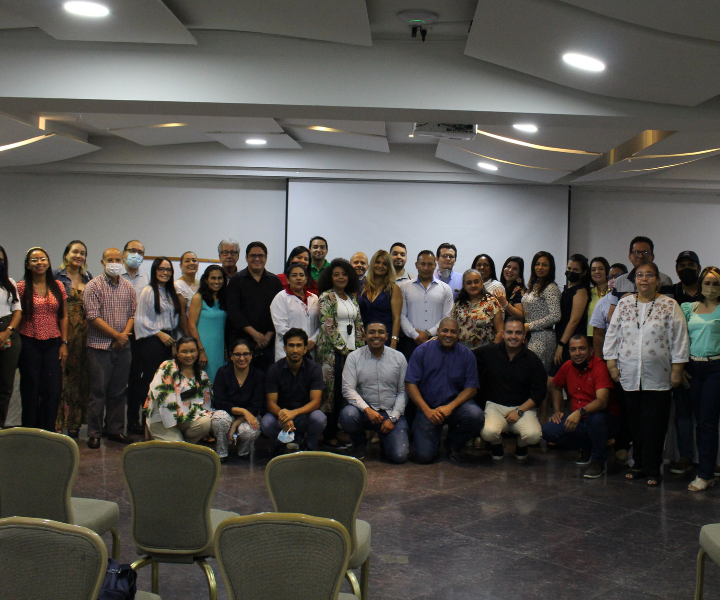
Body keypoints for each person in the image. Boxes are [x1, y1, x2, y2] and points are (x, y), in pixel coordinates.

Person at [604, 262, 689, 486]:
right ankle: (638, 464)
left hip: (659, 376)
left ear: (657, 280)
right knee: (635, 424)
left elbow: (680, 339)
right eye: (640, 275)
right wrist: (612, 364)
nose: (644, 279)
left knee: (655, 425)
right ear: (635, 280)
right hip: (630, 375)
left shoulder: (669, 305)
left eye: (649, 275)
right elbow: (612, 334)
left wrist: (677, 369)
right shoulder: (624, 304)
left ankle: (653, 469)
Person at [405, 317, 483, 463]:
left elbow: (472, 389)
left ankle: (453, 442)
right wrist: (427, 411)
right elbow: (410, 384)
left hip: (456, 407)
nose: (448, 335)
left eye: (453, 332)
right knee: (424, 457)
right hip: (427, 409)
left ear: (458, 334)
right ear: (438, 331)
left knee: (476, 415)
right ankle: (432, 441)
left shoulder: (467, 355)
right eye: (445, 331)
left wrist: (450, 407)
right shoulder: (421, 352)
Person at [83, 248, 137, 449]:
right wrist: (116, 336)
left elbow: (133, 314)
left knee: (119, 391)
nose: (114, 263)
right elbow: (92, 317)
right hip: (99, 347)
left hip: (123, 348)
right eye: (110, 259)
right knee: (98, 392)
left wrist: (123, 337)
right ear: (102, 262)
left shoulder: (128, 287)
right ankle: (95, 433)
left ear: (122, 261)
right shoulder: (93, 286)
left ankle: (115, 430)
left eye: (117, 259)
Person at [143, 336, 231, 457]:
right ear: (177, 353)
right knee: (178, 452)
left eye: (192, 351)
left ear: (198, 352)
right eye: (184, 352)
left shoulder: (202, 375)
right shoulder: (168, 367)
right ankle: (171, 441)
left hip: (187, 419)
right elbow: (165, 400)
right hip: (164, 420)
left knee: (206, 422)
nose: (189, 355)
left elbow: (207, 404)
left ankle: (178, 443)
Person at [542, 334, 615, 478]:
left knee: (596, 420)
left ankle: (597, 461)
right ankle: (588, 446)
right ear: (569, 352)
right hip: (579, 420)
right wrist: (557, 411)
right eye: (573, 350)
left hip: (602, 419)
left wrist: (580, 412)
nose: (577, 353)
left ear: (591, 350)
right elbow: (555, 387)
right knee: (548, 430)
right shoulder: (567, 366)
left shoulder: (599, 366)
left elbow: (602, 401)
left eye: (582, 349)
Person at [475, 318, 546, 460]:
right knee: (488, 432)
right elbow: (464, 356)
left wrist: (519, 410)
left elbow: (540, 392)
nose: (513, 336)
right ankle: (497, 444)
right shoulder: (489, 352)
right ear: (502, 333)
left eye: (518, 333)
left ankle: (521, 445)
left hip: (522, 408)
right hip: (494, 406)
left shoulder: (533, 360)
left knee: (534, 435)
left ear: (524, 335)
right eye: (510, 332)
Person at [340, 322, 409, 463]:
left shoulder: (399, 358)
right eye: (371, 332)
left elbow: (403, 392)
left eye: (381, 332)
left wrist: (394, 418)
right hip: (364, 413)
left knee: (399, 456)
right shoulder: (354, 357)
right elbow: (348, 389)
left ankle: (386, 440)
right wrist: (367, 410)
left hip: (390, 413)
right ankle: (359, 442)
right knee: (348, 415)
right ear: (365, 336)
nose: (376, 336)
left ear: (387, 336)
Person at [16, 247, 68, 431]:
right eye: (34, 260)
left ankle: (48, 431)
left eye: (43, 259)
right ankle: (30, 431)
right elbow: (16, 314)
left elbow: (63, 316)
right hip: (29, 342)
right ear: (28, 265)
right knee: (30, 389)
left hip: (53, 343)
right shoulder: (21, 287)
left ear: (48, 262)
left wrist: (64, 343)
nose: (39, 263)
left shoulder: (58, 285)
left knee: (53, 390)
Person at [316, 258, 365, 449]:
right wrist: (345, 351)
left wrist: (359, 350)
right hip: (332, 354)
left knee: (346, 393)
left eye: (344, 274)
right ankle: (328, 436)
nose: (341, 277)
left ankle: (338, 432)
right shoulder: (326, 297)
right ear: (330, 277)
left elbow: (359, 324)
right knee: (331, 395)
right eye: (336, 274)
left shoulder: (351, 298)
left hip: (351, 354)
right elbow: (328, 327)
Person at [682, 266, 720, 492]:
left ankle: (705, 474)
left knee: (707, 421)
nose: (711, 287)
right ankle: (704, 468)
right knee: (698, 420)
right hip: (694, 368)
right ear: (700, 284)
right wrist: (682, 366)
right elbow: (680, 338)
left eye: (716, 283)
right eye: (707, 283)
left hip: (716, 368)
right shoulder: (689, 308)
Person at [261, 328, 326, 451]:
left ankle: (307, 446)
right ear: (285, 348)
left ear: (305, 349)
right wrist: (284, 417)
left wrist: (293, 413)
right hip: (280, 415)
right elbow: (271, 403)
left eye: (299, 346)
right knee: (266, 422)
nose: (295, 350)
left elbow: (315, 402)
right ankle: (279, 446)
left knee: (319, 418)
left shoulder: (314, 369)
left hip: (303, 415)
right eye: (291, 345)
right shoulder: (274, 369)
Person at [53, 240, 93, 437]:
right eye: (75, 252)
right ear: (66, 255)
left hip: (85, 335)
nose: (79, 256)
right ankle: (58, 422)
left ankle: (75, 424)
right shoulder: (55, 276)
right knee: (61, 378)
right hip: (63, 332)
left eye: (83, 253)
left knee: (80, 378)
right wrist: (62, 340)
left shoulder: (88, 277)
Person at [669, 250, 703, 475]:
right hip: (679, 363)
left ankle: (710, 459)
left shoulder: (711, 292)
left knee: (708, 415)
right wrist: (678, 367)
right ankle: (685, 457)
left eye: (690, 264)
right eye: (681, 265)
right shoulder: (670, 294)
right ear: (676, 269)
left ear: (699, 268)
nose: (686, 268)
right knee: (682, 414)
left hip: (705, 363)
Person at [226, 241, 283, 371]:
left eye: (261, 255)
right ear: (246, 258)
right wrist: (255, 335)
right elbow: (234, 312)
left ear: (266, 258)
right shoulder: (236, 280)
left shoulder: (275, 282)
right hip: (243, 342)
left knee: (267, 381)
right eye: (253, 255)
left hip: (269, 343)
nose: (257, 259)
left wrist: (268, 336)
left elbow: (280, 311)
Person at [134, 257, 181, 411]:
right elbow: (140, 320)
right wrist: (159, 334)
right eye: (161, 269)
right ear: (154, 271)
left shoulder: (170, 292)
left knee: (166, 381)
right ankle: (146, 419)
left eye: (168, 270)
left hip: (169, 340)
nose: (165, 272)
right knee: (151, 380)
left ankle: (163, 419)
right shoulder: (149, 291)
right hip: (153, 341)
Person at [212, 339, 265, 459]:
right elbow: (219, 402)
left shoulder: (258, 375)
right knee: (219, 419)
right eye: (237, 354)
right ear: (231, 356)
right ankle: (221, 452)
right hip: (226, 413)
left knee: (250, 430)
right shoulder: (222, 373)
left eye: (246, 354)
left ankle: (244, 451)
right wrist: (243, 411)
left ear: (251, 355)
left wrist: (235, 423)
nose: (242, 358)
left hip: (248, 416)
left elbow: (256, 406)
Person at [399, 250, 453, 361]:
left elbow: (447, 317)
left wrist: (428, 333)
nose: (426, 268)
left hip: (437, 341)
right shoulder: (404, 287)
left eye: (430, 264)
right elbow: (401, 315)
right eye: (423, 264)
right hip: (410, 343)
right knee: (411, 376)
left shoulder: (445, 288)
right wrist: (415, 335)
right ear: (416, 265)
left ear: (435, 265)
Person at [121, 239, 150, 434]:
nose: (136, 254)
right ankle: (112, 422)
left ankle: (136, 421)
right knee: (117, 380)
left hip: (140, 336)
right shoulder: (115, 275)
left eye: (140, 252)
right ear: (124, 253)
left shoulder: (146, 278)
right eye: (132, 250)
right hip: (117, 334)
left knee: (138, 381)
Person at [609, 236, 673, 314]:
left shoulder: (664, 280)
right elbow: (611, 315)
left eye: (645, 253)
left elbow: (668, 310)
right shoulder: (619, 281)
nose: (640, 256)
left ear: (652, 257)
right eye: (636, 252)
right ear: (630, 257)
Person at [521, 251, 561, 372]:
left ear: (551, 267)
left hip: (543, 337)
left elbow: (556, 316)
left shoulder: (550, 288)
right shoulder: (535, 285)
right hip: (531, 336)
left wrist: (530, 326)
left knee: (537, 376)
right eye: (537, 264)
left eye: (544, 265)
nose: (540, 267)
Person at [551, 254, 591, 374]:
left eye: (575, 270)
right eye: (569, 269)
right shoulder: (568, 289)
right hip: (561, 337)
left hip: (571, 341)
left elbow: (574, 321)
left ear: (583, 272)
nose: (571, 272)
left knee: (556, 380)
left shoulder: (580, 291)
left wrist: (561, 345)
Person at [270, 263, 319, 360]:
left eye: (301, 275)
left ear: (306, 279)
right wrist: (301, 343)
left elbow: (320, 325)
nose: (298, 278)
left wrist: (313, 341)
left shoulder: (314, 298)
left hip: (310, 350)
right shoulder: (281, 298)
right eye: (294, 275)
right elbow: (281, 327)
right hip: (287, 352)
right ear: (287, 280)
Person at [188, 264, 227, 383]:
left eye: (220, 278)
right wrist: (201, 350)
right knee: (205, 382)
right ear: (206, 280)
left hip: (219, 348)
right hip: (204, 347)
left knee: (219, 381)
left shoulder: (224, 299)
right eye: (213, 278)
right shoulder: (198, 298)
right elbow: (191, 325)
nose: (217, 281)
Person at [358, 250, 402, 349]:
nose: (380, 266)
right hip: (363, 337)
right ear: (372, 264)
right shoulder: (360, 286)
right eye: (377, 262)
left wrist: (394, 341)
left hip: (384, 338)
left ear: (389, 267)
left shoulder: (393, 288)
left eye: (384, 264)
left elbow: (396, 318)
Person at [451, 269, 504, 350]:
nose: (473, 285)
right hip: (462, 353)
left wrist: (494, 352)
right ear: (464, 286)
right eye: (469, 283)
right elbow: (453, 329)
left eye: (476, 282)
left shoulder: (492, 302)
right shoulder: (458, 304)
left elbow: (500, 331)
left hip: (486, 354)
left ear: (482, 283)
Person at [0, 246, 21, 428]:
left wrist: (7, 331)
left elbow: (17, 311)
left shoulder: (10, 283)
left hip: (8, 333)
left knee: (6, 386)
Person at [590, 263, 628, 359]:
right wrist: (599, 362)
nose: (614, 280)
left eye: (618, 276)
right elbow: (598, 335)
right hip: (611, 353)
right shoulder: (602, 303)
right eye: (611, 277)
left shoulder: (634, 298)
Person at [175, 251, 200, 331]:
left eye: (194, 260)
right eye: (187, 261)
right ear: (181, 266)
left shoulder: (201, 284)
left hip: (200, 330)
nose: (191, 263)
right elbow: (182, 314)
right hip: (186, 333)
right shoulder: (178, 286)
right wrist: (189, 338)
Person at [587, 256, 610, 339]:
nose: (597, 272)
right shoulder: (588, 293)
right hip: (590, 337)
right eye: (593, 270)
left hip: (609, 337)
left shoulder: (613, 293)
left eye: (601, 269)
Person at [495, 256, 525, 320]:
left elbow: (521, 316)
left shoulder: (519, 291)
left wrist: (505, 303)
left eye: (515, 269)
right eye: (508, 267)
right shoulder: (498, 286)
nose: (510, 270)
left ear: (519, 273)